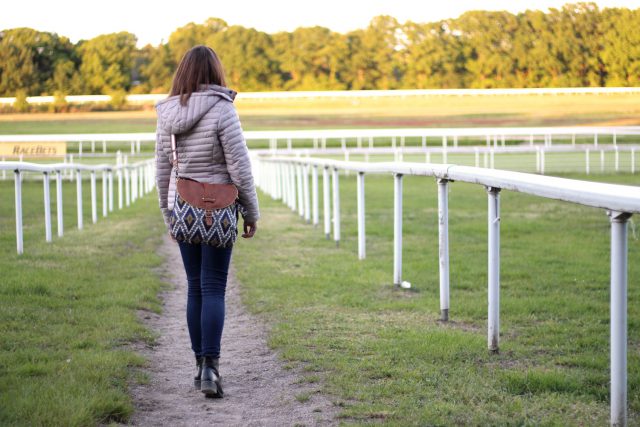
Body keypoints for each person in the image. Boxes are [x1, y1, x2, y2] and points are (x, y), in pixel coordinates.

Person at [154, 45, 260, 398]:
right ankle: (211, 368)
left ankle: (198, 365)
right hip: (220, 214)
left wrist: (168, 213)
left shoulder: (167, 112)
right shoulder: (223, 109)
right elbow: (239, 168)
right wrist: (251, 212)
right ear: (216, 71)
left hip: (183, 208)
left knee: (195, 286)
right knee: (214, 286)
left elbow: (162, 168)